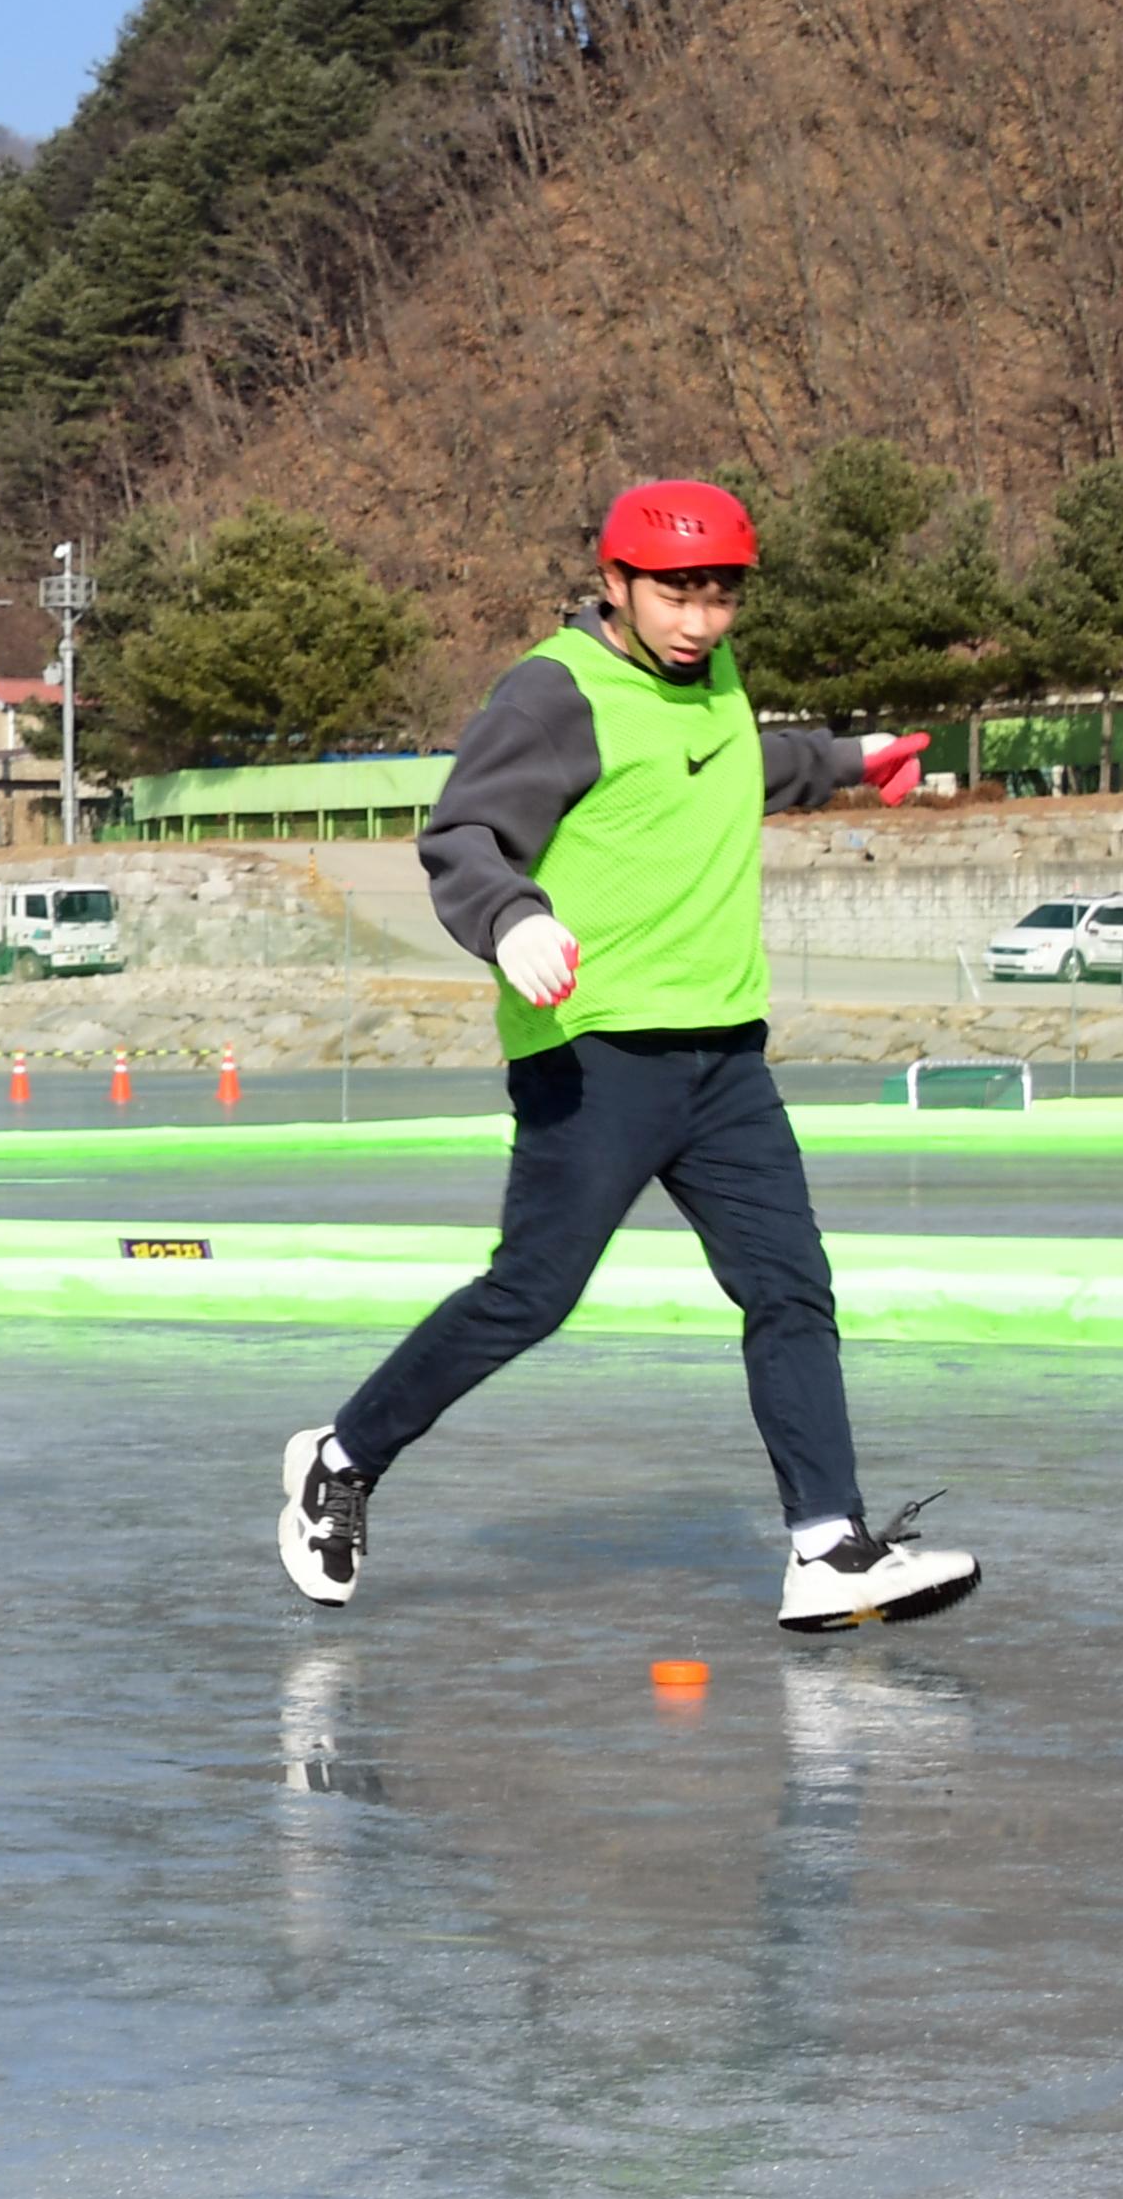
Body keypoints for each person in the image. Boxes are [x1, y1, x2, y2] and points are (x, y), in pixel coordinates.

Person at [275, 480, 980, 1634]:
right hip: (593, 1052)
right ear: (615, 584)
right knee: (531, 1294)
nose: (701, 620)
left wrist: (855, 758)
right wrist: (514, 919)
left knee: (790, 1286)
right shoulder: (557, 691)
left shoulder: (713, 683)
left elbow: (741, 762)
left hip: (723, 1056)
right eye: (676, 594)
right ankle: (342, 1456)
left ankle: (827, 1545)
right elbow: (464, 833)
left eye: (720, 594)